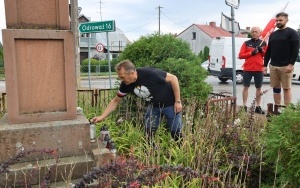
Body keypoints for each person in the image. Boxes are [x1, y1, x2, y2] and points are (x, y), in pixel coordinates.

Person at [92, 60, 183, 142]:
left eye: (123, 77)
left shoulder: (149, 73)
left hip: (170, 105)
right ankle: (151, 154)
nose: (121, 80)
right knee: (149, 134)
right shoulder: (125, 85)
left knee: (176, 134)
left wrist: (178, 101)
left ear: (132, 73)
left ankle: (180, 153)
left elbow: (173, 78)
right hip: (153, 106)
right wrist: (102, 116)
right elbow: (115, 101)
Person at [263, 12, 300, 108]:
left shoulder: (292, 33)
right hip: (274, 66)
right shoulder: (273, 35)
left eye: (280, 20)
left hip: (286, 66)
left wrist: (291, 64)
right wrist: (264, 65)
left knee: (286, 88)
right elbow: (269, 51)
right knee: (276, 88)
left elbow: (295, 50)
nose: (278, 22)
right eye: (277, 20)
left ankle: (287, 111)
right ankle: (277, 108)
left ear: (286, 20)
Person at [238, 26, 267, 114]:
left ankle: (258, 107)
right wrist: (251, 53)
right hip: (248, 68)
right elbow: (240, 55)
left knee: (259, 88)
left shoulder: (264, 43)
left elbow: (267, 55)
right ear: (251, 33)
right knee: (246, 87)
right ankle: (244, 105)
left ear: (259, 33)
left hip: (259, 69)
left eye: (256, 32)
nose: (254, 33)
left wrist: (261, 51)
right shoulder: (246, 43)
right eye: (253, 31)